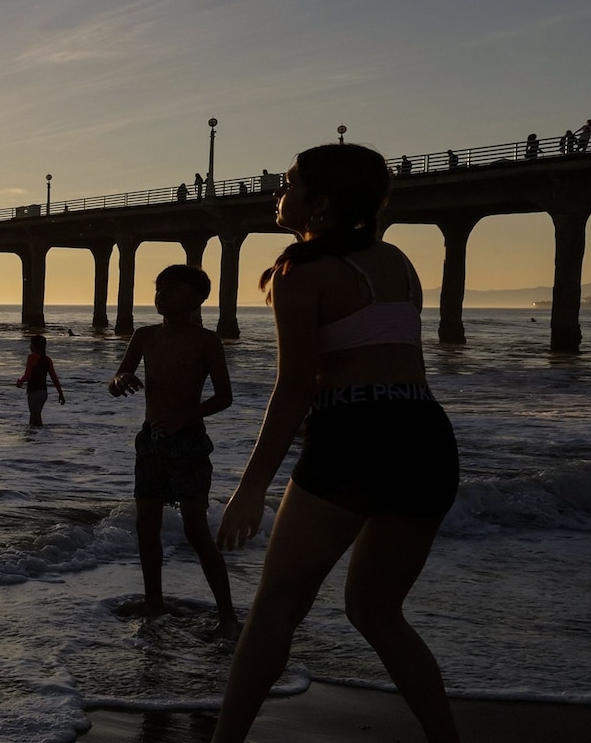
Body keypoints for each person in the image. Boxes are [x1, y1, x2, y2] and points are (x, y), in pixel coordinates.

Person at [211, 144, 460, 743]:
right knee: (376, 611)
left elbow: (294, 389)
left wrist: (249, 493)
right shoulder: (397, 261)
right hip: (425, 434)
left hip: (354, 436)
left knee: (276, 609)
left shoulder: (304, 273)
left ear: (319, 204)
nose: (280, 187)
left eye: (291, 181)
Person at [108, 265, 237, 637]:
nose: (162, 294)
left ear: (197, 298)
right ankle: (154, 600)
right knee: (145, 527)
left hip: (189, 443)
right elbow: (115, 384)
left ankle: (226, 614)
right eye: (159, 288)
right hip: (150, 441)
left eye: (172, 289)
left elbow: (225, 397)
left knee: (196, 531)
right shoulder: (145, 336)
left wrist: (186, 417)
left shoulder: (207, 342)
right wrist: (121, 380)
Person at [14, 335, 64, 426]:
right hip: (43, 393)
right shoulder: (47, 359)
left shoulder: (32, 357)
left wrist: (20, 382)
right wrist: (61, 394)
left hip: (34, 392)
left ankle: (37, 438)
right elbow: (54, 378)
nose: (30, 346)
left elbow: (27, 376)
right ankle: (36, 438)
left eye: (31, 344)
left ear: (34, 346)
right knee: (36, 416)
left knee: (34, 417)